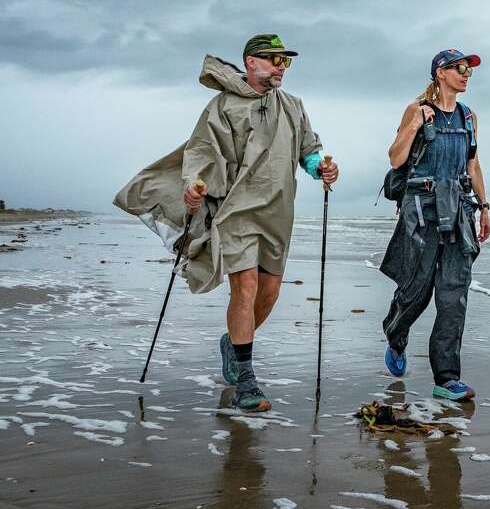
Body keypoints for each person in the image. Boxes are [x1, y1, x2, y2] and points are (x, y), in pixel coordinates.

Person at [115, 33, 338, 412]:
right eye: (273, 60)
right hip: (235, 211)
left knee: (269, 295)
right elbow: (201, 152)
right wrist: (192, 188)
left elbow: (309, 151)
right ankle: (248, 381)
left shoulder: (294, 106)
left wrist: (322, 169)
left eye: (286, 61)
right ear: (251, 62)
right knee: (246, 287)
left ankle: (231, 344)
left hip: (278, 212)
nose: (281, 67)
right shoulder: (222, 107)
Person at [379, 48, 490, 401]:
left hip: (459, 212)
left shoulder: (469, 117)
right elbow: (396, 158)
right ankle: (396, 337)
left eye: (468, 70)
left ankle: (446, 378)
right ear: (439, 73)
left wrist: (485, 207)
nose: (465, 74)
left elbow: (472, 166)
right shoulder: (417, 110)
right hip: (421, 211)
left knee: (454, 295)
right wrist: (413, 124)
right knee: (416, 290)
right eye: (459, 68)